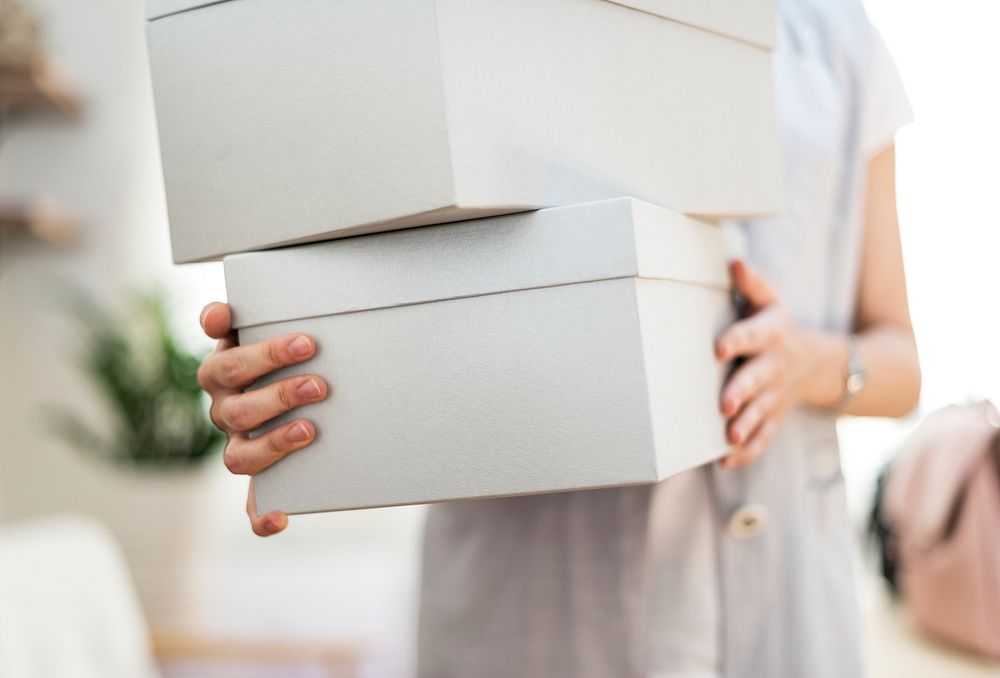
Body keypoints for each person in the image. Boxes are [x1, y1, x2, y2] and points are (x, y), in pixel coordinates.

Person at [195, 0, 921, 675]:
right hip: (531, 599)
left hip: (787, 587)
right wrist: (277, 358)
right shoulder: (468, 19)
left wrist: (808, 365)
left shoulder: (834, 34)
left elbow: (900, 362)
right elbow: (348, 267)